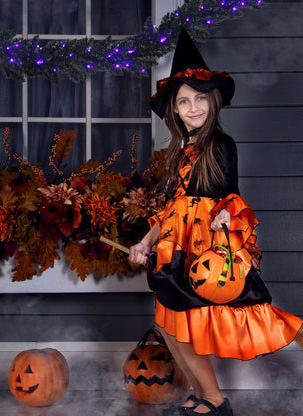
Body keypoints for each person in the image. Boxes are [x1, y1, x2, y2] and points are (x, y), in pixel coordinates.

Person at [129, 28, 303, 416]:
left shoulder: (221, 145)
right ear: (173, 109)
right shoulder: (178, 152)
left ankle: (214, 400)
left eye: (200, 98)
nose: (194, 107)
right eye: (184, 101)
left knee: (188, 327)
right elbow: (170, 209)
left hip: (203, 247)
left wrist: (226, 211)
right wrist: (145, 241)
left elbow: (231, 193)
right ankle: (196, 394)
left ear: (213, 101)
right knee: (171, 326)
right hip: (174, 248)